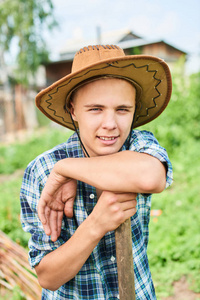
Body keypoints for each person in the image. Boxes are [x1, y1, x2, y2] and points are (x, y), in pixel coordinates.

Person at [20, 44, 173, 299]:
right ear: (72, 109)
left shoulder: (139, 146)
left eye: (123, 109)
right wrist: (96, 224)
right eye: (95, 109)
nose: (111, 124)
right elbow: (48, 277)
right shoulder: (42, 170)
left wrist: (67, 169)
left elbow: (152, 177)